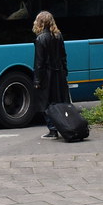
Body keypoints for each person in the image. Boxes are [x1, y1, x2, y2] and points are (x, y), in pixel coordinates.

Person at [32, 10, 69, 139]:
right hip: (59, 75)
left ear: (40, 23)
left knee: (46, 103)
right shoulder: (58, 36)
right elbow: (63, 56)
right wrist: (65, 71)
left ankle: (52, 130)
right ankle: (64, 126)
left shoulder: (40, 39)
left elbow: (39, 62)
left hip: (47, 76)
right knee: (59, 102)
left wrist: (37, 80)